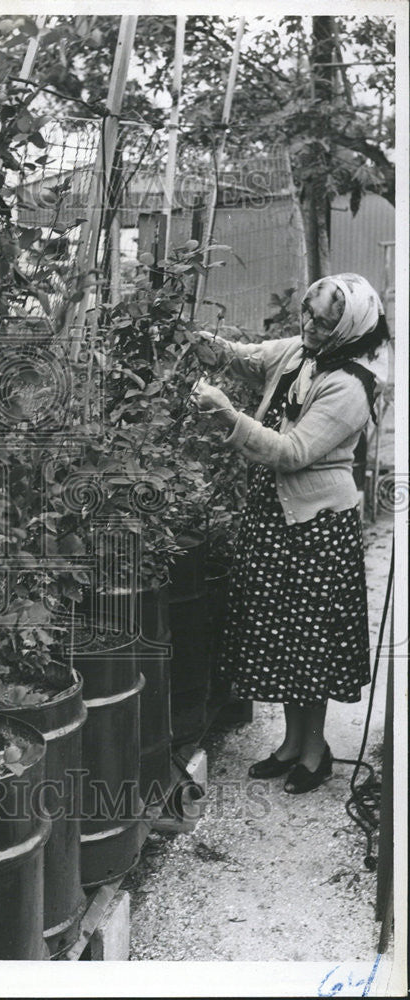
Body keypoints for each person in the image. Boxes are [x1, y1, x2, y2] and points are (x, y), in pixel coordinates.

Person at [191, 273, 391, 794]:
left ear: (348, 328)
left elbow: (292, 453)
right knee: (278, 636)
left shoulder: (349, 386)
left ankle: (315, 750)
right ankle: (290, 742)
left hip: (317, 527)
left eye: (324, 323)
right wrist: (193, 337)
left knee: (310, 640)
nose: (309, 327)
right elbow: (243, 355)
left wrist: (228, 415)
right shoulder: (296, 353)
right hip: (271, 520)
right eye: (306, 313)